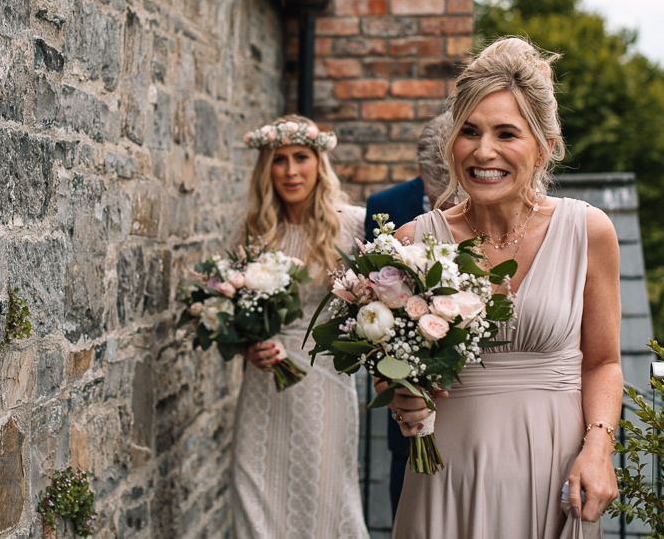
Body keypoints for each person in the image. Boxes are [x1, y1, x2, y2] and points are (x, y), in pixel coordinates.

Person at [391, 37, 622, 538]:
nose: (483, 150)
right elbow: (397, 370)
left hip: (554, 476)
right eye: (469, 131)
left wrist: (599, 449)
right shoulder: (413, 243)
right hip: (445, 476)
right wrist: (401, 395)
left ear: (544, 146)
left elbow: (603, 362)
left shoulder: (589, 232)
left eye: (506, 133)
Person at [231, 115, 369, 539]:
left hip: (324, 384)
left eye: (301, 158)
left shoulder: (354, 226)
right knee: (252, 494)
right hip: (263, 390)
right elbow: (236, 315)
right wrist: (248, 348)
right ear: (266, 169)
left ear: (319, 162)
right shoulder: (255, 232)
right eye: (280, 160)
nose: (291, 171)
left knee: (327, 498)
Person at [364, 111, 453, 519]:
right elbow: (371, 312)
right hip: (410, 416)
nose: (450, 209)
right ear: (421, 172)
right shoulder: (385, 208)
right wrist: (393, 380)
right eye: (441, 199)